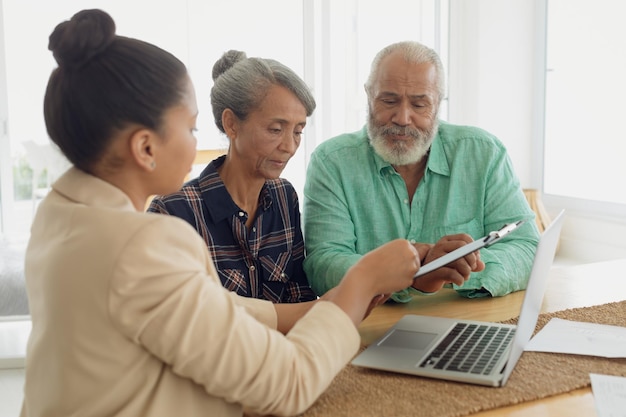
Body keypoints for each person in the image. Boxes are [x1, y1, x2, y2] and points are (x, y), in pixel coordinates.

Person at [22, 9, 430, 417]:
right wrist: (360, 281)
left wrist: (347, 299)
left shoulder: (61, 216)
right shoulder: (145, 242)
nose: (289, 144)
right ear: (146, 147)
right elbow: (286, 384)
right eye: (192, 128)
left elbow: (211, 307)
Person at [303, 40, 540, 303]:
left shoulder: (484, 153)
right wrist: (415, 273)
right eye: (389, 100)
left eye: (419, 105)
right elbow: (322, 265)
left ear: (438, 102)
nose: (403, 118)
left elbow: (528, 249)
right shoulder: (332, 162)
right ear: (369, 95)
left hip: (464, 319)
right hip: (369, 327)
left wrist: (453, 269)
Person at [148, 51, 316, 303]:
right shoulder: (172, 212)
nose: (289, 147)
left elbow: (298, 296)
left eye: (298, 132)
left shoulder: (284, 197)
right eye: (276, 129)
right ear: (231, 124)